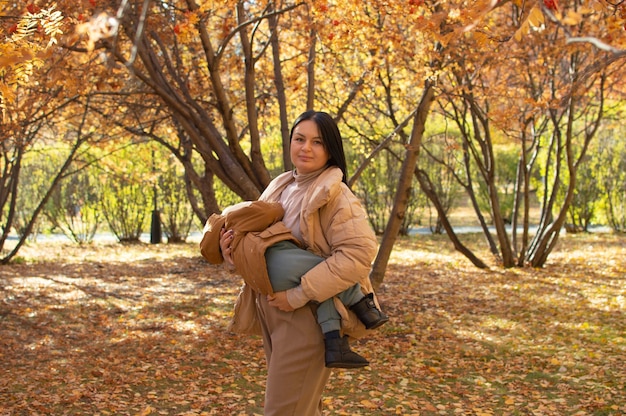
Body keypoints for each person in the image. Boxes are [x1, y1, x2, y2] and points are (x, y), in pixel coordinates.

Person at [218, 110, 387, 415]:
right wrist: (232, 254)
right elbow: (264, 250)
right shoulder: (281, 187)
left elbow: (358, 256)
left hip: (308, 316)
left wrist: (298, 294)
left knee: (284, 410)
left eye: (317, 142)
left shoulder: (336, 196)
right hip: (273, 312)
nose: (306, 148)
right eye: (299, 139)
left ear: (330, 149)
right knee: (302, 408)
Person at [200, 200, 388, 368]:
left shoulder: (232, 249)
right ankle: (365, 308)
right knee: (328, 273)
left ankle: (334, 345)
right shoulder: (234, 220)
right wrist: (272, 207)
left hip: (268, 280)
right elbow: (270, 212)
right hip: (279, 261)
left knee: (324, 292)